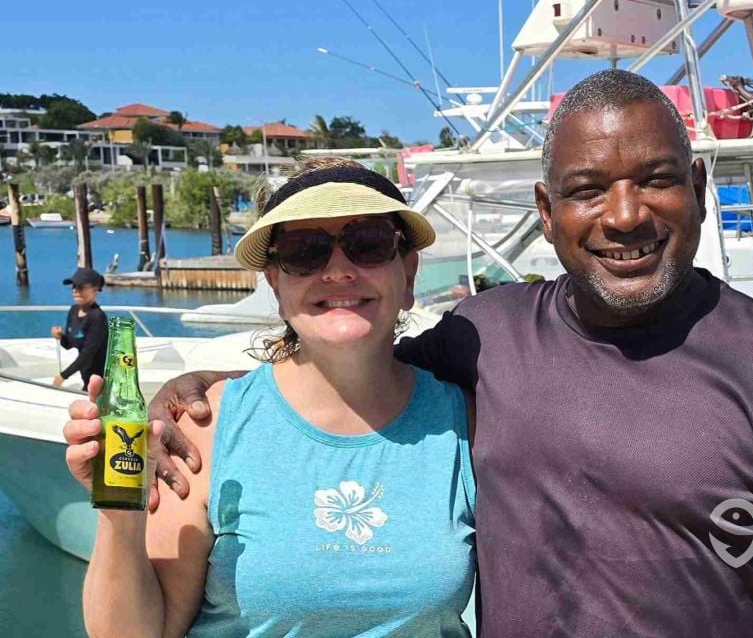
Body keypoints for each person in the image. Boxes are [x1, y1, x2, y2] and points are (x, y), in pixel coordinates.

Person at [148, 71, 753, 636]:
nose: (625, 215)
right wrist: (207, 395)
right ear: (547, 213)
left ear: (699, 187)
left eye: (655, 180)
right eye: (588, 190)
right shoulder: (484, 339)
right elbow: (347, 369)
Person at [64, 158, 476, 637]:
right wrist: (119, 510)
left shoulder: (463, 422)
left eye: (368, 244)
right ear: (276, 284)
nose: (338, 270)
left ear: (408, 272)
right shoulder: (206, 426)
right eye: (305, 251)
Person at [52, 266, 108, 388]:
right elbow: (69, 344)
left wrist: (63, 376)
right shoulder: (73, 310)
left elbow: (87, 354)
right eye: (74, 286)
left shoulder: (98, 317)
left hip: (102, 381)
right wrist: (60, 336)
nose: (75, 290)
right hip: (87, 379)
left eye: (81, 287)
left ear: (94, 289)